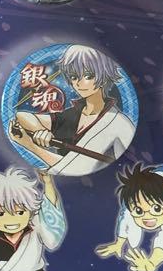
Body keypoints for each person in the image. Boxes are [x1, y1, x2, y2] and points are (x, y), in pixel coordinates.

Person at [9, 46, 134, 177]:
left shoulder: (118, 123)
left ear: (103, 77)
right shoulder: (71, 115)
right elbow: (22, 115)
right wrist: (42, 133)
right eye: (74, 77)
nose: (79, 83)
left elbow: (74, 167)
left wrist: (30, 145)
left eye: (88, 76)